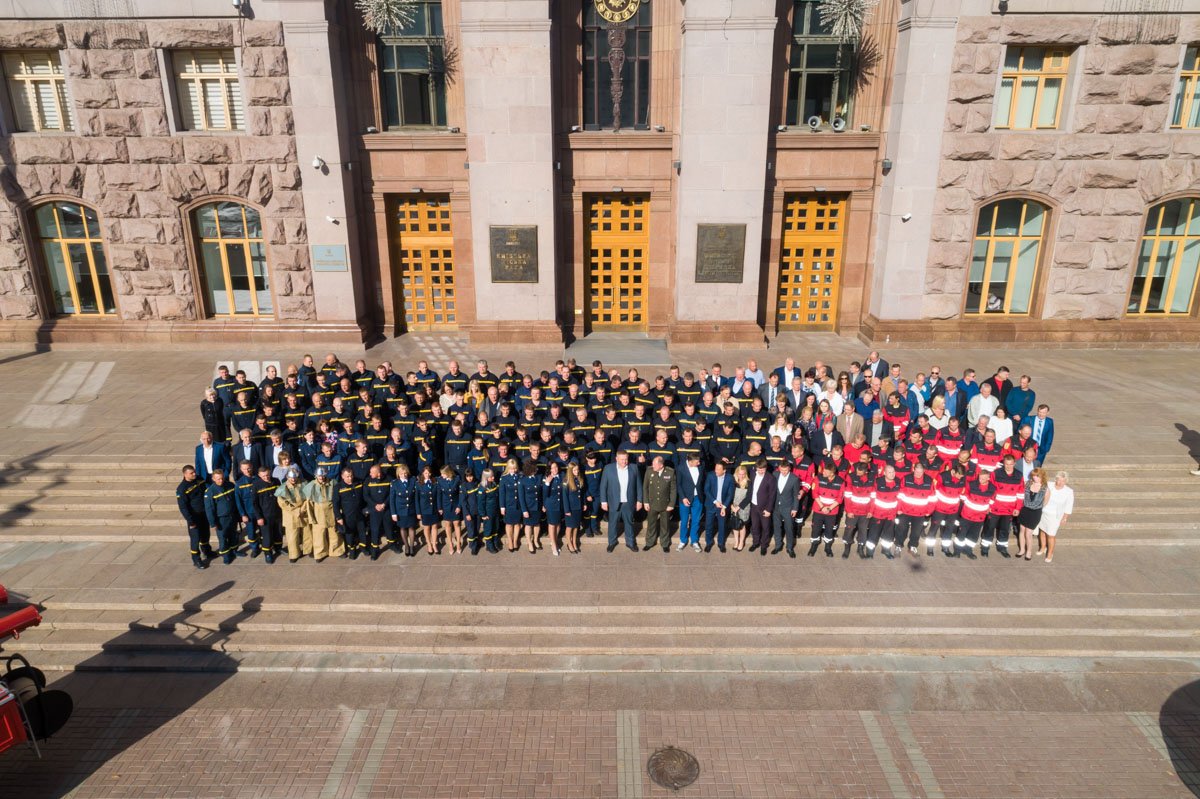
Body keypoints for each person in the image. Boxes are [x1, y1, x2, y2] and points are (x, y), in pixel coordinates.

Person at [599, 449, 643, 552]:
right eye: (622, 459)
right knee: (612, 524)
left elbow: (639, 486)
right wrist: (603, 501)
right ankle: (612, 542)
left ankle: (630, 542)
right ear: (616, 459)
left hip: (629, 502)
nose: (624, 462)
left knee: (629, 523)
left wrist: (639, 500)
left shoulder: (634, 468)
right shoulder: (608, 468)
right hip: (614, 502)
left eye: (626, 459)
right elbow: (603, 486)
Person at [176, 465, 214, 569]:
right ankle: (196, 559)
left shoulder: (199, 479)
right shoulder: (182, 489)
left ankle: (207, 551)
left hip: (204, 513)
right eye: (191, 473)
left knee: (205, 534)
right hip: (194, 517)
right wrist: (190, 521)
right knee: (195, 539)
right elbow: (183, 507)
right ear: (185, 474)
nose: (194, 474)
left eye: (194, 472)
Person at [806, 461, 844, 558]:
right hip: (819, 509)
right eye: (824, 471)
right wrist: (822, 507)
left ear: (832, 473)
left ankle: (828, 548)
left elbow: (840, 498)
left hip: (832, 511)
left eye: (826, 472)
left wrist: (829, 508)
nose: (823, 473)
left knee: (829, 530)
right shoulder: (818, 478)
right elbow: (814, 493)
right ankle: (813, 546)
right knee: (816, 529)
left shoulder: (841, 482)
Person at [304, 468, 343, 561]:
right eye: (319, 476)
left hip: (331, 510)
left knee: (334, 532)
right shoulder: (311, 486)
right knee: (319, 534)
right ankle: (320, 553)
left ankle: (337, 550)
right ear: (315, 476)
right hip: (318, 512)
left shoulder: (333, 483)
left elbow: (338, 498)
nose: (321, 477)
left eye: (323, 475)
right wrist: (311, 517)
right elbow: (309, 504)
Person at [203, 469, 239, 565]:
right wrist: (213, 523)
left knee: (233, 534)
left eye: (222, 478)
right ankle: (226, 555)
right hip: (221, 519)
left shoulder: (230, 485)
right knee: (223, 538)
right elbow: (209, 509)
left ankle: (234, 551)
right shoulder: (210, 492)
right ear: (213, 479)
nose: (221, 480)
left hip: (232, 516)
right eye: (218, 479)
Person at [641, 455, 677, 552]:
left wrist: (671, 504)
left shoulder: (670, 472)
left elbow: (673, 490)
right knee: (651, 524)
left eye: (654, 464)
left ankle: (665, 544)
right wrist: (645, 502)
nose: (652, 465)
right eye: (652, 463)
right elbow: (645, 488)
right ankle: (649, 543)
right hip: (652, 503)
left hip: (665, 504)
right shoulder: (649, 471)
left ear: (661, 465)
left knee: (665, 525)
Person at [275, 467, 310, 562]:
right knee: (292, 536)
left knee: (307, 533)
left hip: (304, 512)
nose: (293, 479)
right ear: (287, 477)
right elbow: (282, 503)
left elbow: (308, 498)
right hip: (290, 514)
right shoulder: (282, 488)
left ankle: (308, 550)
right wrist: (296, 511)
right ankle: (294, 555)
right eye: (291, 477)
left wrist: (302, 509)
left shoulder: (304, 483)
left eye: (295, 477)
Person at [1038, 471, 1074, 563]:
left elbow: (1069, 506)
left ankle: (1050, 553)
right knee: (1042, 531)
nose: (1060, 482)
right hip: (1044, 513)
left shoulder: (1069, 491)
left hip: (1055, 516)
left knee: (1051, 535)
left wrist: (1065, 517)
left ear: (1066, 481)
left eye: (1063, 481)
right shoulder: (1049, 485)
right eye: (1059, 480)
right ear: (1056, 479)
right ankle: (1042, 548)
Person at [841, 462, 873, 559]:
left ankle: (860, 548)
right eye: (857, 472)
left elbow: (873, 496)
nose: (857, 474)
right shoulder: (851, 477)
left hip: (865, 511)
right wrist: (849, 510)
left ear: (866, 472)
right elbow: (847, 496)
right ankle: (847, 548)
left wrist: (871, 510)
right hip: (853, 510)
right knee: (849, 529)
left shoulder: (872, 479)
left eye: (859, 473)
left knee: (863, 530)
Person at [336, 467, 368, 560]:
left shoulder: (358, 483)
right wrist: (339, 517)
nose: (350, 478)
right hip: (347, 515)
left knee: (362, 531)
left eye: (351, 476)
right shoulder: (338, 487)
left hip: (360, 514)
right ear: (342, 476)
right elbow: (336, 504)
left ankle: (363, 547)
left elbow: (363, 497)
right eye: (347, 476)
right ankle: (352, 550)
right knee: (349, 534)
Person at [675, 452, 705, 552]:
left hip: (698, 498)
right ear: (690, 462)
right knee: (684, 521)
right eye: (697, 462)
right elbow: (678, 484)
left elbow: (702, 482)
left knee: (696, 521)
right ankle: (683, 541)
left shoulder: (701, 467)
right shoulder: (681, 468)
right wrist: (683, 497)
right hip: (685, 499)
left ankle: (694, 541)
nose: (699, 463)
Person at [704, 460, 735, 553]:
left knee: (722, 526)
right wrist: (715, 501)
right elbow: (706, 490)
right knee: (708, 525)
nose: (716, 470)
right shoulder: (710, 475)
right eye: (715, 468)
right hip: (711, 504)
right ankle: (709, 543)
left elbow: (730, 494)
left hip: (723, 506)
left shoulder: (729, 478)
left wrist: (724, 506)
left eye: (718, 469)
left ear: (724, 470)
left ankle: (721, 544)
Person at [747, 460, 777, 554]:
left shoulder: (770, 478)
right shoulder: (752, 474)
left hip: (764, 507)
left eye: (763, 470)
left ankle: (764, 545)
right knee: (755, 526)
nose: (761, 472)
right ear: (756, 468)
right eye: (759, 470)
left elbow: (772, 495)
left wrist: (768, 509)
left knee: (765, 527)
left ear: (766, 468)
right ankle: (755, 543)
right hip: (754, 505)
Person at [1017, 468, 1046, 560]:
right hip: (1024, 510)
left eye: (1037, 476)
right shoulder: (1028, 483)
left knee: (1029, 533)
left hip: (1035, 512)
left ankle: (1028, 552)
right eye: (1033, 475)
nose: (1035, 477)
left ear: (1042, 476)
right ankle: (1021, 550)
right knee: (1022, 530)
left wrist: (1035, 506)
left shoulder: (1045, 488)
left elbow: (1045, 502)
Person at [390, 464, 418, 557]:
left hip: (411, 509)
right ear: (398, 474)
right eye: (402, 473)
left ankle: (411, 546)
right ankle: (406, 545)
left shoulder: (413, 480)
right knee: (402, 528)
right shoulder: (394, 483)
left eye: (405, 473)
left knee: (411, 527)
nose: (404, 475)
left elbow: (416, 497)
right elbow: (392, 499)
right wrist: (393, 513)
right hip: (400, 510)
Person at [437, 464, 465, 555]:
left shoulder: (457, 479)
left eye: (443, 474)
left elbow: (460, 494)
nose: (442, 475)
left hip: (455, 505)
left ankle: (458, 544)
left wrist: (459, 506)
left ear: (448, 473)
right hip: (446, 506)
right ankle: (450, 544)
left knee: (457, 524)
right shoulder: (440, 480)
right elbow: (439, 495)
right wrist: (440, 507)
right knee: (448, 525)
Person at [518, 459, 543, 554]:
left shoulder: (539, 477)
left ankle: (535, 540)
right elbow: (521, 497)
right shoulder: (522, 480)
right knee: (528, 525)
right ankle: (529, 542)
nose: (536, 469)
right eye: (534, 468)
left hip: (537, 506)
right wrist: (524, 510)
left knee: (537, 524)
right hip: (528, 507)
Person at [500, 459, 523, 552]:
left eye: (514, 468)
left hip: (518, 505)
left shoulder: (520, 477)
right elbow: (502, 493)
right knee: (509, 524)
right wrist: (502, 506)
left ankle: (515, 541)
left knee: (517, 524)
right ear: (508, 468)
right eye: (511, 469)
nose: (513, 470)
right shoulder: (504, 478)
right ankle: (510, 541)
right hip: (508, 505)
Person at [416, 466, 439, 555]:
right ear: (422, 473)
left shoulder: (434, 482)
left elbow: (437, 496)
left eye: (429, 473)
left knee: (434, 527)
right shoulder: (419, 484)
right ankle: (429, 544)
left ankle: (434, 544)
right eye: (425, 473)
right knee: (427, 528)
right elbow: (416, 499)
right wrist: (418, 512)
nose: (427, 475)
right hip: (424, 510)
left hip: (434, 508)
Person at [543, 461, 564, 556]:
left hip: (560, 505)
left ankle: (554, 539)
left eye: (555, 467)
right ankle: (554, 546)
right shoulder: (547, 478)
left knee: (558, 524)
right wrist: (547, 483)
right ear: (549, 469)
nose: (554, 469)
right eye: (552, 468)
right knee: (552, 525)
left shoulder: (562, 476)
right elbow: (544, 494)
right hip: (551, 505)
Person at [729, 465, 752, 551]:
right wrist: (731, 505)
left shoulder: (748, 483)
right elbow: (729, 494)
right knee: (735, 525)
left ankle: (741, 542)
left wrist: (738, 507)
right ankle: (736, 541)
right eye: (740, 474)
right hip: (733, 506)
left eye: (743, 474)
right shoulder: (733, 482)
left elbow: (748, 497)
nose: (741, 476)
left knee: (741, 525)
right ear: (736, 474)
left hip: (743, 507)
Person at [562, 461, 583, 555]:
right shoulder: (566, 481)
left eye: (577, 470)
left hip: (578, 507)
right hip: (570, 508)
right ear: (570, 471)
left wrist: (584, 504)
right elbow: (565, 497)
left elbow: (581, 494)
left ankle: (574, 542)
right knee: (570, 527)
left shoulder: (578, 479)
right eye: (574, 470)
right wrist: (567, 510)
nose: (577, 471)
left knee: (576, 527)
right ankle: (569, 544)